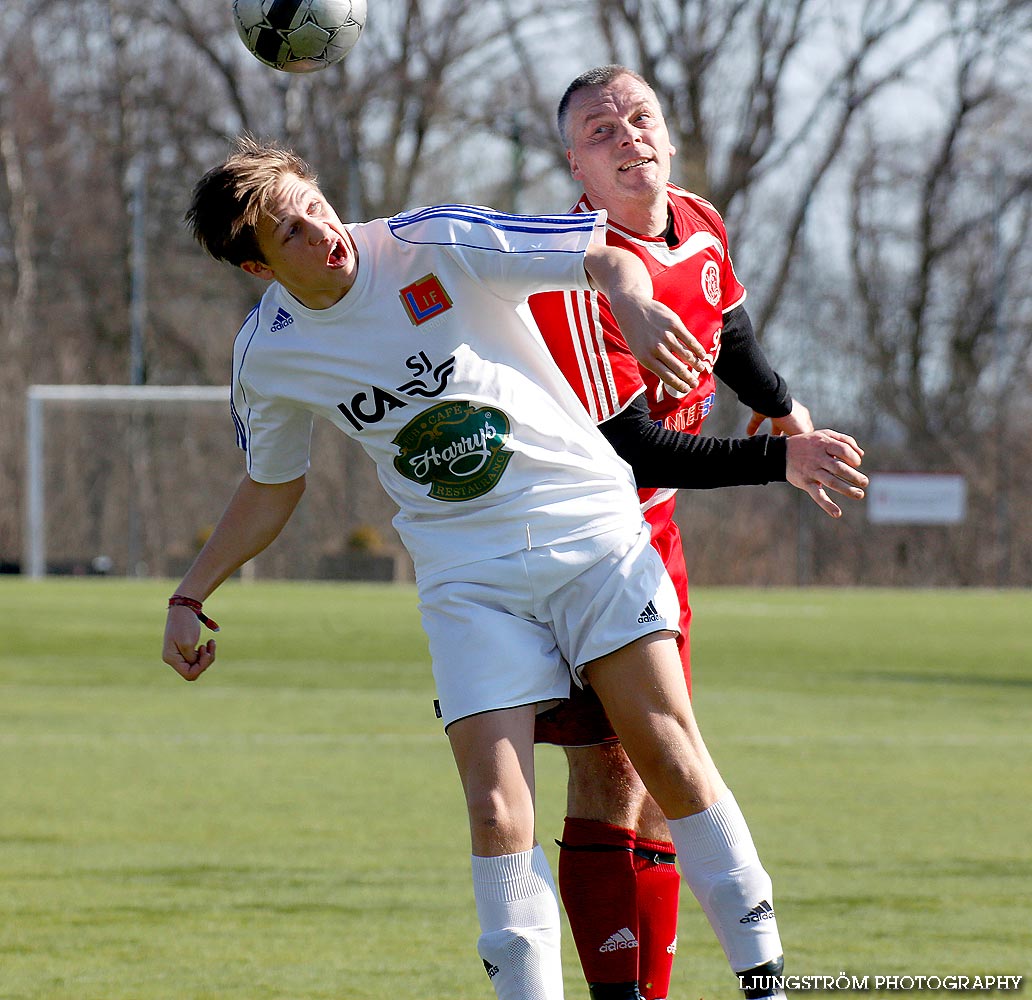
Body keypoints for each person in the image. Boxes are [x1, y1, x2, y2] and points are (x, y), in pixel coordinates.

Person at [163, 136, 793, 1000]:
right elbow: (273, 487)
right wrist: (191, 592)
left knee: (669, 756)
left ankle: (766, 977)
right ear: (256, 267)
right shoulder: (267, 355)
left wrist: (636, 306)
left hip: (589, 533)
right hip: (470, 579)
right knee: (498, 810)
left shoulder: (431, 240)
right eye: (290, 232)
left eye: (314, 204)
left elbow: (600, 255)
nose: (322, 231)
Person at [528, 66, 868, 1000]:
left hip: (655, 537)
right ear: (575, 165)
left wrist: (785, 406)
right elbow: (629, 449)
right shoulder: (573, 274)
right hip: (583, 545)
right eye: (601, 130)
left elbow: (731, 327)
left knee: (643, 774)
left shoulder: (697, 218)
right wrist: (776, 463)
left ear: (669, 136)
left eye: (641, 118)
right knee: (619, 771)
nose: (627, 135)